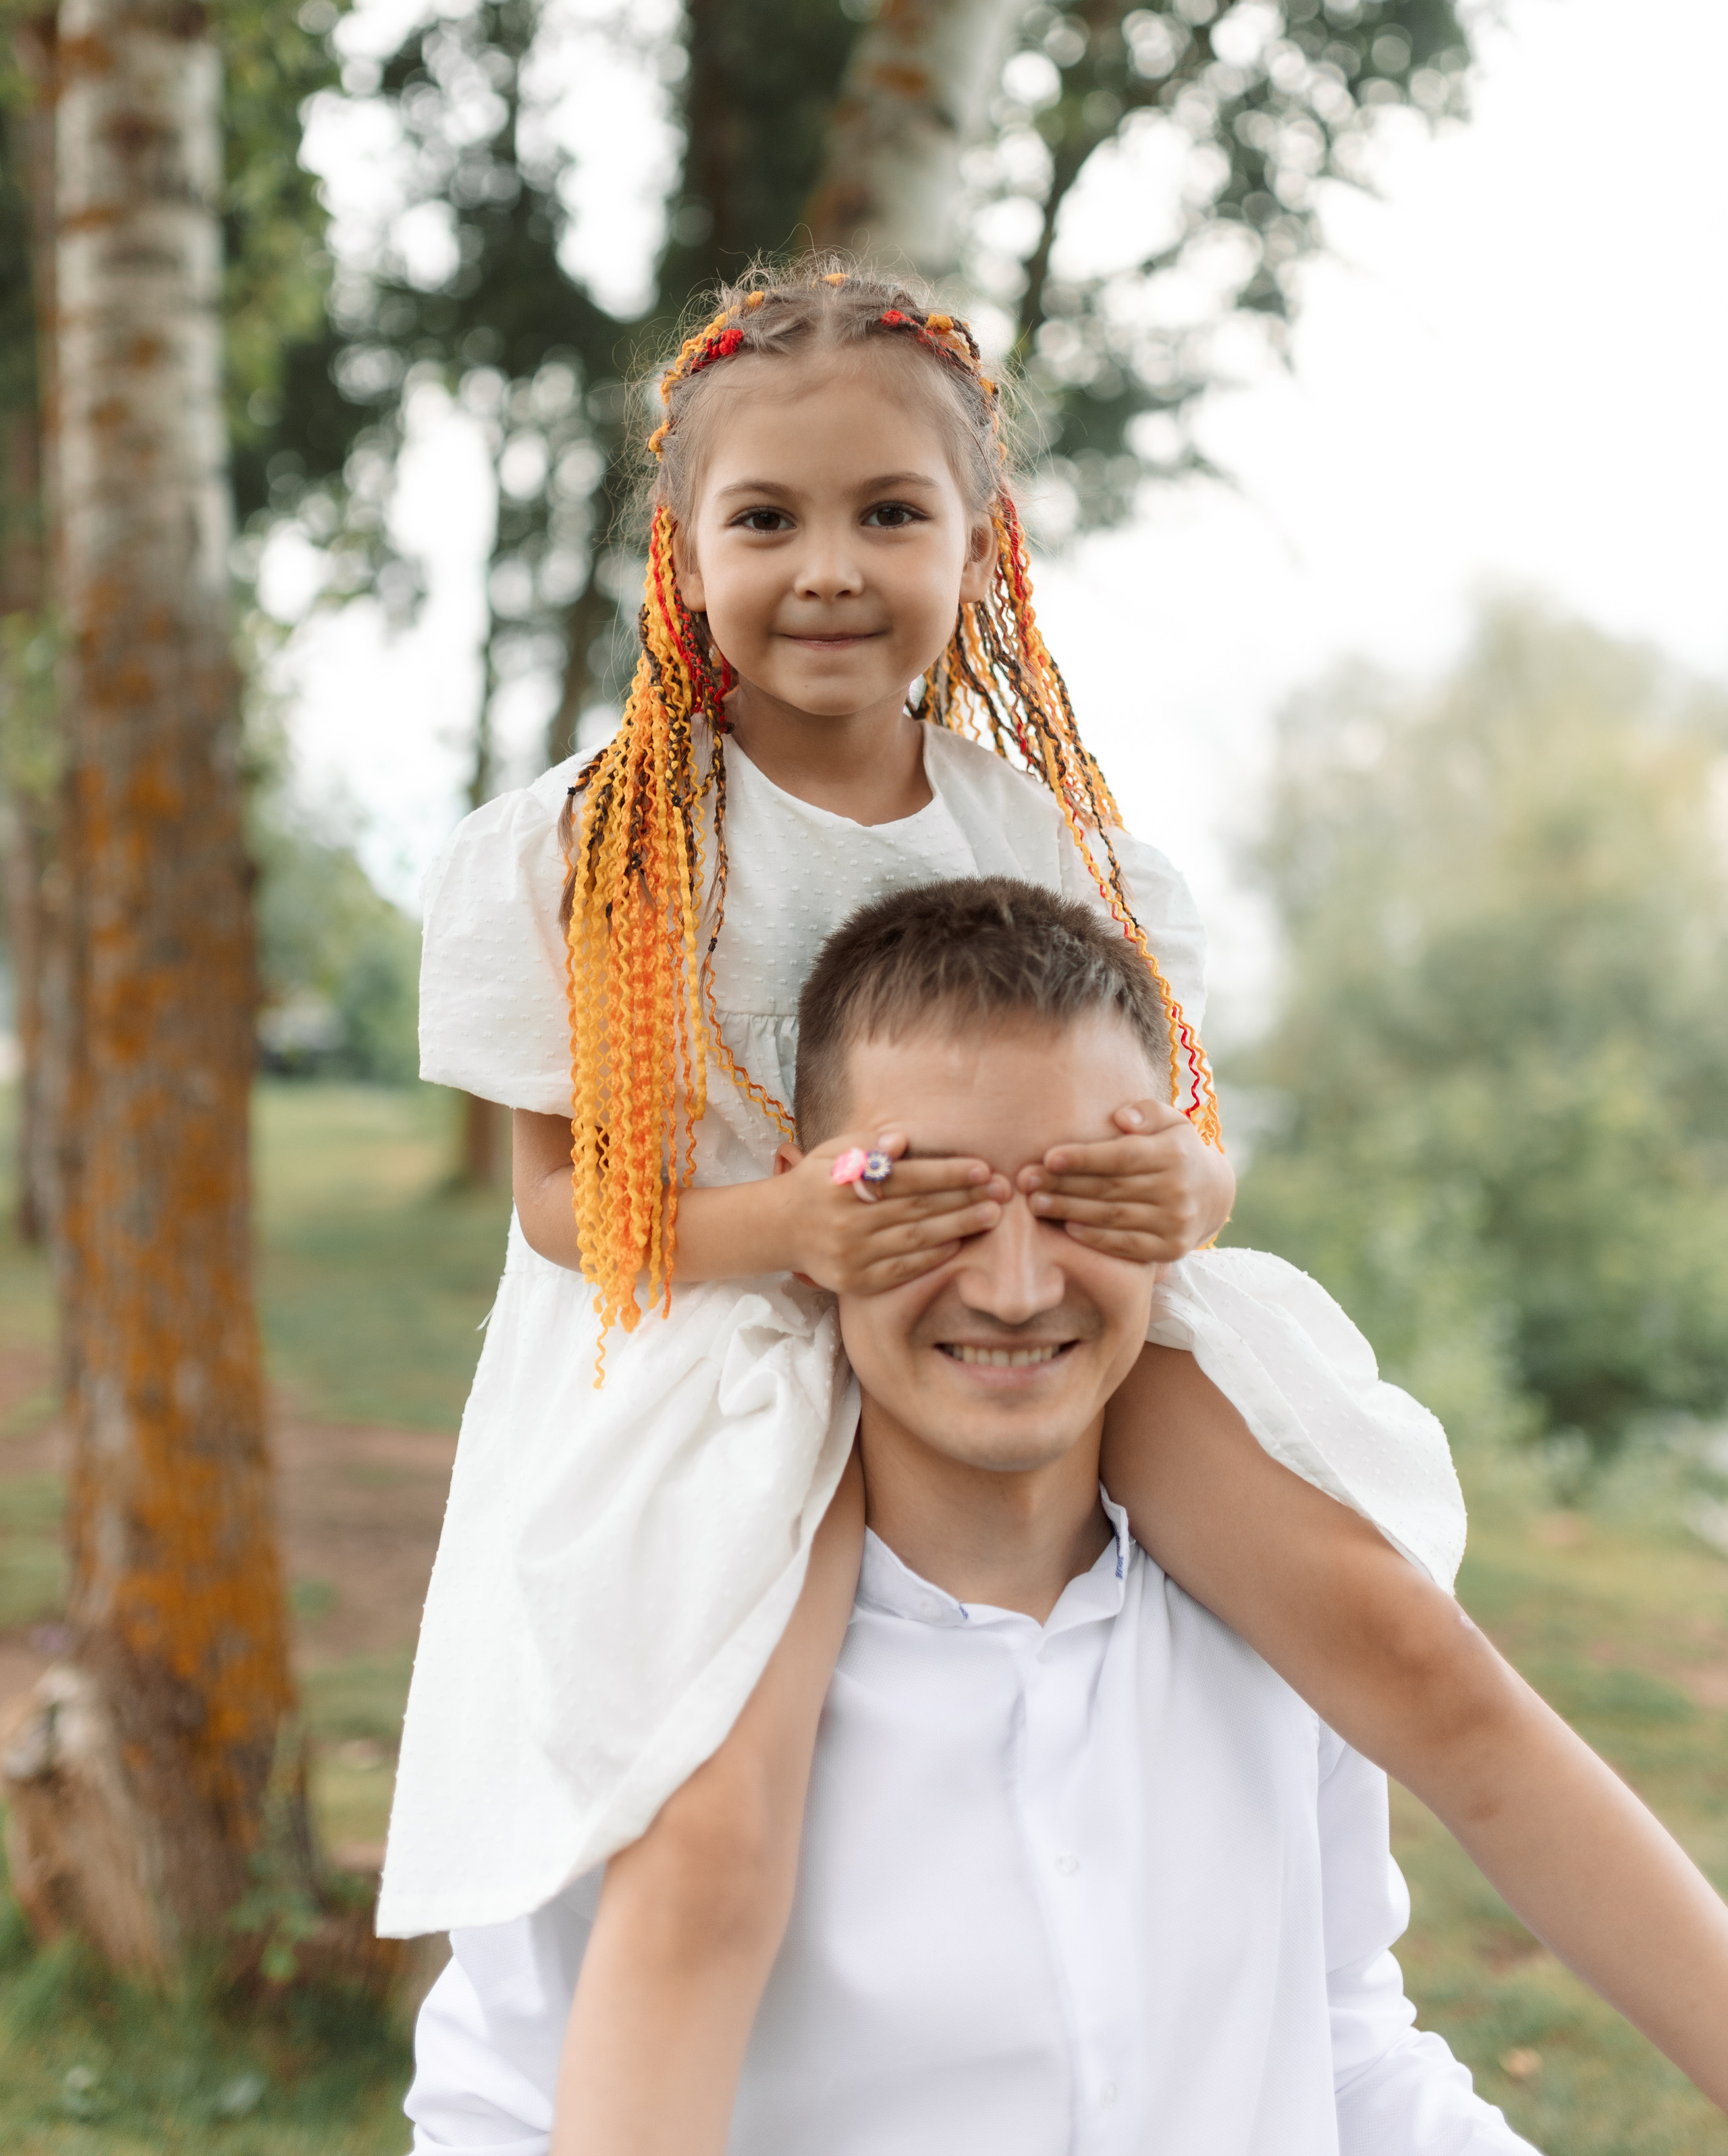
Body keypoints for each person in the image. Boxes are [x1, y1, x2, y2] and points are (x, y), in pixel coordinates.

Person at [381, 264, 1728, 2151]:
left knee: (1404, 1643)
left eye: (889, 513)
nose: (830, 566)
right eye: (766, 518)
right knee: (715, 1839)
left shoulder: (1039, 830)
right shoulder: (606, 842)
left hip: (1024, 1282)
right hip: (730, 1331)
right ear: (680, 559)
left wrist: (1187, 1182)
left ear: (979, 543)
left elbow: (1182, 1121)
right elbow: (555, 1201)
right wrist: (797, 1229)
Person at [409, 878, 1519, 2151]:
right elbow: (502, 2104)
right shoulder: (635, 1636)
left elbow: (1347, 2044)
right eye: (927, 1203)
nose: (1013, 1285)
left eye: (1080, 1199)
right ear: (808, 1213)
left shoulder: (1282, 1625)